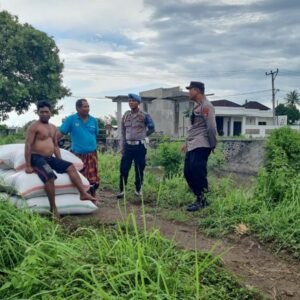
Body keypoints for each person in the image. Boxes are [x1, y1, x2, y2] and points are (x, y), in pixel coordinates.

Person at [25, 100, 96, 219]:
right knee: (49, 175)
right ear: (38, 113)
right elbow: (28, 145)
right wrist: (28, 165)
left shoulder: (53, 127)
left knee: (70, 167)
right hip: (37, 158)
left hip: (50, 158)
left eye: (46, 112)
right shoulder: (34, 127)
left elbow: (56, 146)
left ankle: (83, 194)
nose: (44, 114)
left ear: (50, 113)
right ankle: (54, 209)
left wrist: (60, 162)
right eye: (41, 112)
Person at [182, 81, 217, 212]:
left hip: (202, 144)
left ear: (197, 90)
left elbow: (211, 127)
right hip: (193, 144)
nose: (189, 92)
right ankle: (199, 198)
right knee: (188, 172)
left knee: (198, 172)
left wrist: (213, 144)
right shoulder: (197, 107)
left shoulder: (207, 106)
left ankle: (203, 200)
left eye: (190, 90)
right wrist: (187, 143)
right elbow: (195, 128)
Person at [57, 99, 100, 197]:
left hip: (92, 154)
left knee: (93, 178)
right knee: (79, 176)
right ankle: (80, 195)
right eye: (84, 106)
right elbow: (60, 133)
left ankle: (93, 197)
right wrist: (51, 143)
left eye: (88, 106)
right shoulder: (71, 119)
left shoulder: (94, 120)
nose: (87, 109)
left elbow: (95, 135)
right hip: (77, 154)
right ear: (77, 108)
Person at [117, 93, 155, 199]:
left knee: (139, 169)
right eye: (129, 101)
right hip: (128, 146)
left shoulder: (144, 115)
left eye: (133, 101)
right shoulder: (126, 115)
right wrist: (122, 146)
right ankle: (122, 190)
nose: (130, 102)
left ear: (138, 102)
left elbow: (152, 128)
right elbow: (123, 132)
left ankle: (138, 189)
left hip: (139, 146)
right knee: (124, 169)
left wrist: (144, 135)